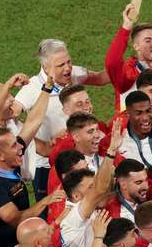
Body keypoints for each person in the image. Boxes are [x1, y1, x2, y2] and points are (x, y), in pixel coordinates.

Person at [13, 39, 109, 203]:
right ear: (45, 67)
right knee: (53, 211)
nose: (67, 68)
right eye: (60, 65)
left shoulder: (74, 74)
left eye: (69, 62)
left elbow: (100, 78)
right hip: (48, 166)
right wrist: (38, 144)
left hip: (82, 156)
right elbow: (10, 118)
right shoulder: (31, 89)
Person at [105, 0, 152, 111]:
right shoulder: (127, 73)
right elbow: (111, 62)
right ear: (136, 46)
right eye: (148, 41)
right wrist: (126, 27)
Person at [114, 91, 152, 175]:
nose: (145, 118)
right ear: (127, 114)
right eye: (138, 113)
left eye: (148, 111)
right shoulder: (117, 140)